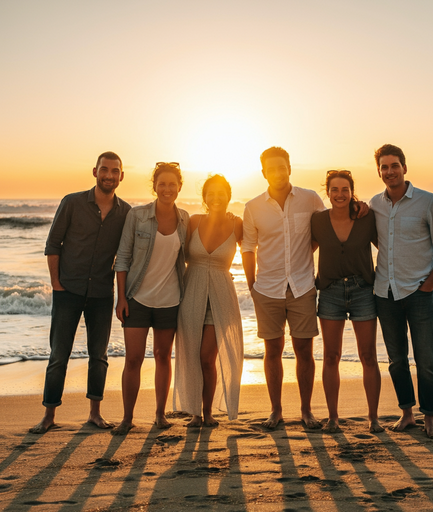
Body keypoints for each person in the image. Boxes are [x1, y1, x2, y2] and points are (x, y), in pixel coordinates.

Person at [29, 152, 131, 434]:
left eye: (114, 171)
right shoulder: (72, 203)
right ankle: (48, 415)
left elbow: (127, 255)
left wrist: (124, 294)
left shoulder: (126, 212)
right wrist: (56, 284)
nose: (109, 175)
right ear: (95, 171)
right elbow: (53, 244)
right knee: (59, 355)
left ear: (121, 176)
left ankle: (94, 414)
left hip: (101, 292)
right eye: (104, 169)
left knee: (99, 356)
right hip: (68, 291)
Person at [370, 144, 433, 439]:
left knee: (426, 360)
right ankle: (407, 413)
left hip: (419, 293)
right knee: (396, 360)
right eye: (384, 167)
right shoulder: (375, 204)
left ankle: (430, 418)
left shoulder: (428, 202)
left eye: (394, 165)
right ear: (379, 171)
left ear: (404, 168)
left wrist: (427, 285)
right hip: (385, 293)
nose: (390, 171)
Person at [242, 146, 325, 430]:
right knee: (272, 350)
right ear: (264, 172)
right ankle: (276, 411)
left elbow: (324, 232)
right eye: (271, 169)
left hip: (302, 286)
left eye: (281, 167)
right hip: (267, 289)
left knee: (304, 350)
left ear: (289, 168)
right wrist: (252, 284)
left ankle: (306, 411)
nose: (277, 173)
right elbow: (248, 247)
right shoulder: (253, 207)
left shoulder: (311, 199)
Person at [112, 162, 188, 435]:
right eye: (162, 184)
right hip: (137, 299)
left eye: (172, 184)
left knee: (163, 357)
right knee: (133, 359)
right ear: (154, 186)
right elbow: (122, 258)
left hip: (170, 300)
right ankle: (127, 418)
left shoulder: (185, 219)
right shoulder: (138, 215)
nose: (167, 189)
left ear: (180, 187)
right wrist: (121, 298)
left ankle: (159, 415)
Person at [311, 170, 384, 433]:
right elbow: (303, 250)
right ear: (327, 193)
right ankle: (332, 417)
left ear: (352, 192)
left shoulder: (367, 218)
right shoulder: (317, 221)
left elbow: (386, 247)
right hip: (330, 292)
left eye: (345, 190)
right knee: (331, 356)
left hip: (363, 290)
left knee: (368, 356)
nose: (339, 194)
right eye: (334, 190)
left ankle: (373, 417)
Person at [173, 174, 244, 427]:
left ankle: (208, 413)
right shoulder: (193, 221)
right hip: (191, 294)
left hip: (221, 297)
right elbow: (176, 254)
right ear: (204, 198)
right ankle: (194, 413)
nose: (216, 198)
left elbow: (258, 246)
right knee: (192, 355)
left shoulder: (238, 225)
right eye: (210, 194)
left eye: (220, 193)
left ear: (228, 196)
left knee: (206, 357)